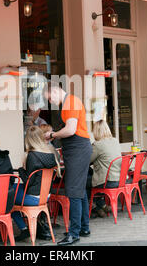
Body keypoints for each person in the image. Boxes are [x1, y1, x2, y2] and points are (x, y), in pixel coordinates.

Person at [43, 82, 92, 246]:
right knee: (80, 190)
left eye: (49, 98)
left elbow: (71, 130)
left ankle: (74, 234)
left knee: (73, 191)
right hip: (78, 148)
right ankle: (83, 228)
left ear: (55, 91)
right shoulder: (69, 102)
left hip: (78, 148)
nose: (50, 102)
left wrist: (53, 134)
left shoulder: (70, 102)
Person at [13, 126, 61, 242]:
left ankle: (24, 229)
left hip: (33, 197)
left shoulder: (32, 156)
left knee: (7, 196)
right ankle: (28, 228)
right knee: (12, 189)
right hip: (45, 196)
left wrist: (21, 170)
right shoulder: (51, 153)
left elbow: (29, 182)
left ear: (28, 140)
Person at [88, 120, 122, 218]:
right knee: (89, 180)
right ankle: (102, 205)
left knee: (82, 183)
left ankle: (96, 208)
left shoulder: (97, 145)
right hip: (119, 179)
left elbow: (88, 160)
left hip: (106, 181)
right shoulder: (115, 141)